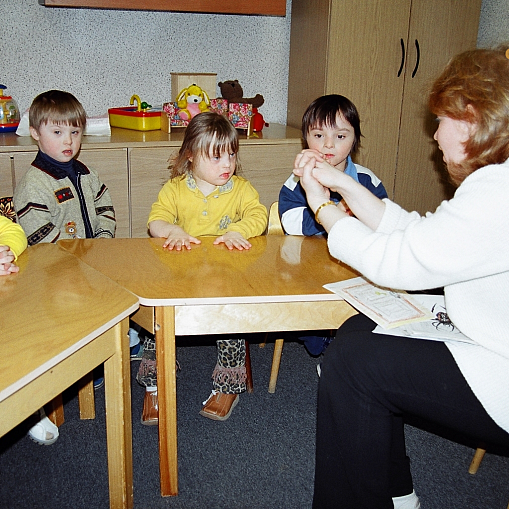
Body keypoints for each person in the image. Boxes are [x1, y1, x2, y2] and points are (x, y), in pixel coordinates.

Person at [295, 45, 509, 508]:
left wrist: (322, 205)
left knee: (353, 363)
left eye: (443, 120)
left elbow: (398, 262)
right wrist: (344, 184)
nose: (435, 135)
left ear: (472, 117)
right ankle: (399, 495)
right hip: (491, 336)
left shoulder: (499, 190)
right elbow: (420, 233)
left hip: (502, 369)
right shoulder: (496, 179)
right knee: (359, 333)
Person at [139, 111, 267, 425]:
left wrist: (239, 230)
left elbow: (259, 215)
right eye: (216, 156)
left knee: (230, 323)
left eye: (232, 155)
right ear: (191, 157)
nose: (227, 164)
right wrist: (173, 231)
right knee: (156, 321)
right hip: (180, 278)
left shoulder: (240, 189)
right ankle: (154, 383)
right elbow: (156, 220)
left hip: (224, 279)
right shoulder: (174, 190)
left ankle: (228, 386)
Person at [13, 90, 116, 443]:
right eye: (57, 132)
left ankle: (102, 355)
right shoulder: (34, 182)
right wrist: (78, 257)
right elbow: (38, 231)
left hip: (91, 263)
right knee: (72, 315)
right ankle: (81, 368)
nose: (68, 141)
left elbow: (104, 205)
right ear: (36, 134)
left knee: (106, 303)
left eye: (74, 132)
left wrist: (102, 239)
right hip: (54, 274)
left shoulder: (86, 172)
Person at [279, 94, 388, 358]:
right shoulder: (298, 181)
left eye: (340, 136)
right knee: (298, 303)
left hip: (353, 265)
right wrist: (329, 213)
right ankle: (323, 343)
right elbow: (290, 222)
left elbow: (383, 220)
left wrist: (352, 214)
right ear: (305, 138)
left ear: (354, 140)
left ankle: (353, 339)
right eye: (318, 136)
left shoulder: (365, 179)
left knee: (375, 304)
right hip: (308, 266)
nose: (328, 145)